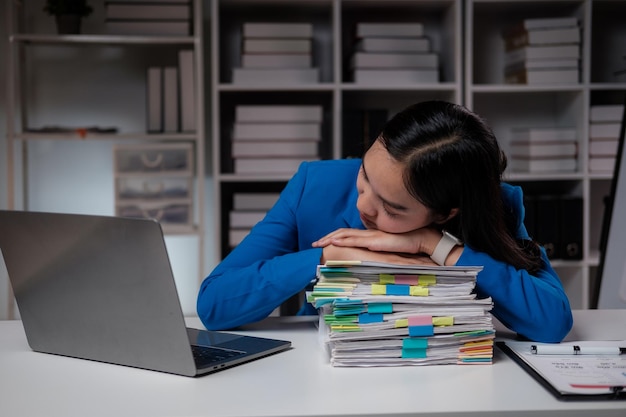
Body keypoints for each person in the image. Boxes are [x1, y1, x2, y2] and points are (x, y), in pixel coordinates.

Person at [197, 100, 573, 343]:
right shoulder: (317, 186)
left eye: (392, 209)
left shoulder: (494, 205)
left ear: (446, 213)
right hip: (330, 366)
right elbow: (214, 304)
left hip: (451, 370)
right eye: (365, 176)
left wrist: (436, 246)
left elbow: (552, 321)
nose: (364, 205)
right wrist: (328, 257)